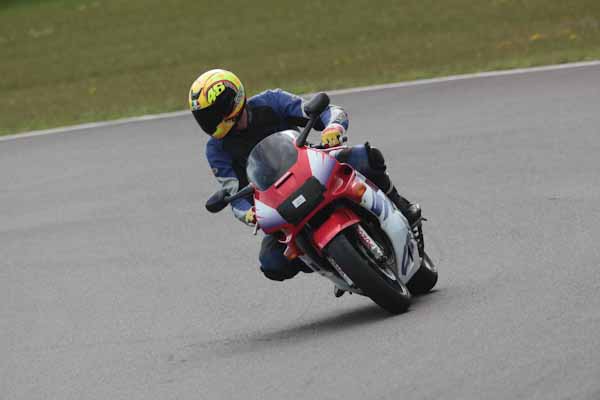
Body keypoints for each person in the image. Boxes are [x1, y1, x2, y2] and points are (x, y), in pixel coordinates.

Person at [190, 69, 420, 286]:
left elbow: (328, 110)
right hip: (277, 202)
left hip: (312, 167)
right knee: (272, 262)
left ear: (232, 101)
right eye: (204, 117)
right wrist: (248, 213)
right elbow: (233, 194)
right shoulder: (216, 150)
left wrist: (333, 127)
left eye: (213, 114)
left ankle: (402, 206)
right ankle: (333, 261)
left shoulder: (271, 101)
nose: (210, 122)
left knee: (365, 157)